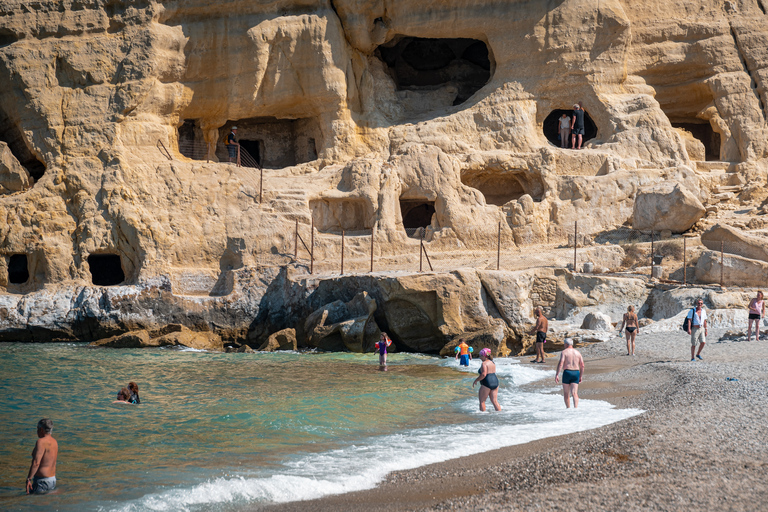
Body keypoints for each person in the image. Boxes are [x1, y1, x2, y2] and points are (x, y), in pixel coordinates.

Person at [26, 419, 58, 495]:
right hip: (52, 479)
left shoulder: (41, 442)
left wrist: (29, 479)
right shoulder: (54, 442)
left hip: (42, 481)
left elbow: (36, 463)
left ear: (41, 429)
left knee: (34, 503)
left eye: (37, 428)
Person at [554, 338, 584, 408]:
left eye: (564, 344)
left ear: (566, 344)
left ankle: (568, 408)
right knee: (574, 393)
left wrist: (557, 374)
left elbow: (561, 363)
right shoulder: (578, 353)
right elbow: (582, 365)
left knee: (566, 393)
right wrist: (580, 376)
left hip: (567, 372)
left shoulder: (564, 352)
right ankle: (576, 408)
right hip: (576, 373)